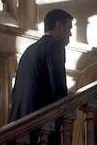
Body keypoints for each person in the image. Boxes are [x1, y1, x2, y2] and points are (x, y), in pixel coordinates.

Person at [8, 9, 74, 144]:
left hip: (19, 124)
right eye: (69, 27)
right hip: (40, 126)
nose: (71, 34)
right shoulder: (55, 46)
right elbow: (59, 89)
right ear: (58, 25)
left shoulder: (29, 50)